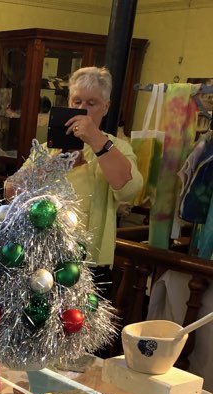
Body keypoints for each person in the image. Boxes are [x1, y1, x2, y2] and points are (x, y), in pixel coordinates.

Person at [62, 66, 143, 267]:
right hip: (46, 252)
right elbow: (12, 191)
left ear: (106, 107)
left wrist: (96, 140)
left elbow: (130, 190)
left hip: (91, 259)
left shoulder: (119, 148)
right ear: (69, 102)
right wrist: (51, 165)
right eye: (77, 101)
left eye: (91, 103)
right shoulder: (48, 148)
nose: (82, 109)